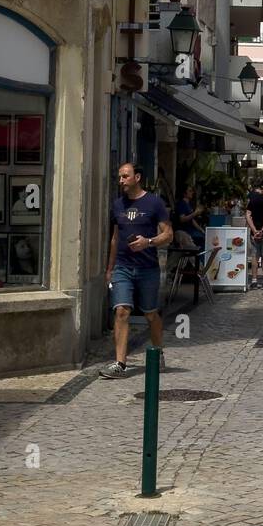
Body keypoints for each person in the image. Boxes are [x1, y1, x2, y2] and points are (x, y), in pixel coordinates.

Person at [100, 162, 173, 379]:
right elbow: (115, 238)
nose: (121, 180)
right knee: (122, 311)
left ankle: (158, 352)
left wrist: (148, 241)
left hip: (147, 267)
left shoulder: (154, 203)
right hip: (123, 267)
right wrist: (110, 268)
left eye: (125, 176)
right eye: (120, 177)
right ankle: (120, 363)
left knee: (150, 314)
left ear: (137, 177)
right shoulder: (117, 205)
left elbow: (168, 234)